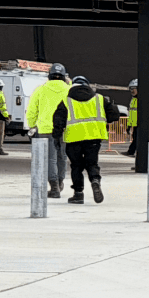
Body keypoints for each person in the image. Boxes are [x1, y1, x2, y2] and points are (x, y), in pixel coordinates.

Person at [62, 75, 112, 204]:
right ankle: (95, 180)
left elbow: (58, 119)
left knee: (76, 166)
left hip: (73, 138)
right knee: (92, 163)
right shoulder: (99, 98)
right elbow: (114, 115)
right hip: (94, 137)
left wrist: (57, 136)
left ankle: (78, 194)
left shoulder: (66, 100)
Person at [23, 64, 72, 197]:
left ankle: (54, 187)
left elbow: (32, 110)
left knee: (50, 158)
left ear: (49, 75)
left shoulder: (41, 89)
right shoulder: (69, 90)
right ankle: (60, 183)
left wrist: (32, 125)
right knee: (62, 157)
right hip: (65, 129)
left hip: (46, 129)